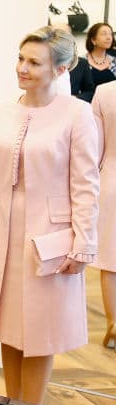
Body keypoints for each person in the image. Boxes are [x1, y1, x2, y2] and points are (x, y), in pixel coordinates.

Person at [0, 26, 99, 405]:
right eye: (20, 58)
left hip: (49, 239)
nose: (22, 68)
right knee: (8, 328)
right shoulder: (0, 112)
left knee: (38, 335)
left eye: (34, 62)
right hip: (2, 231)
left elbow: (85, 185)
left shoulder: (77, 115)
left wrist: (83, 245)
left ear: (61, 69)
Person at [92, 80, 116, 349]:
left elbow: (94, 149)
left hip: (111, 180)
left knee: (111, 258)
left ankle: (113, 323)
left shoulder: (105, 92)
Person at [79, 22, 115, 104]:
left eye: (110, 34)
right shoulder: (81, 62)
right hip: (87, 105)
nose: (109, 37)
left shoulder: (114, 61)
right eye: (104, 34)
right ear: (93, 40)